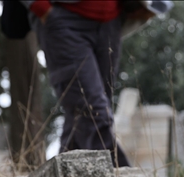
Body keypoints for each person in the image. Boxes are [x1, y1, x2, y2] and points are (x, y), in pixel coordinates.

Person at [21, 0, 172, 167]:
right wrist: (41, 7)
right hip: (64, 17)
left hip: (111, 22)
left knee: (81, 117)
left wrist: (153, 5)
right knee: (94, 110)